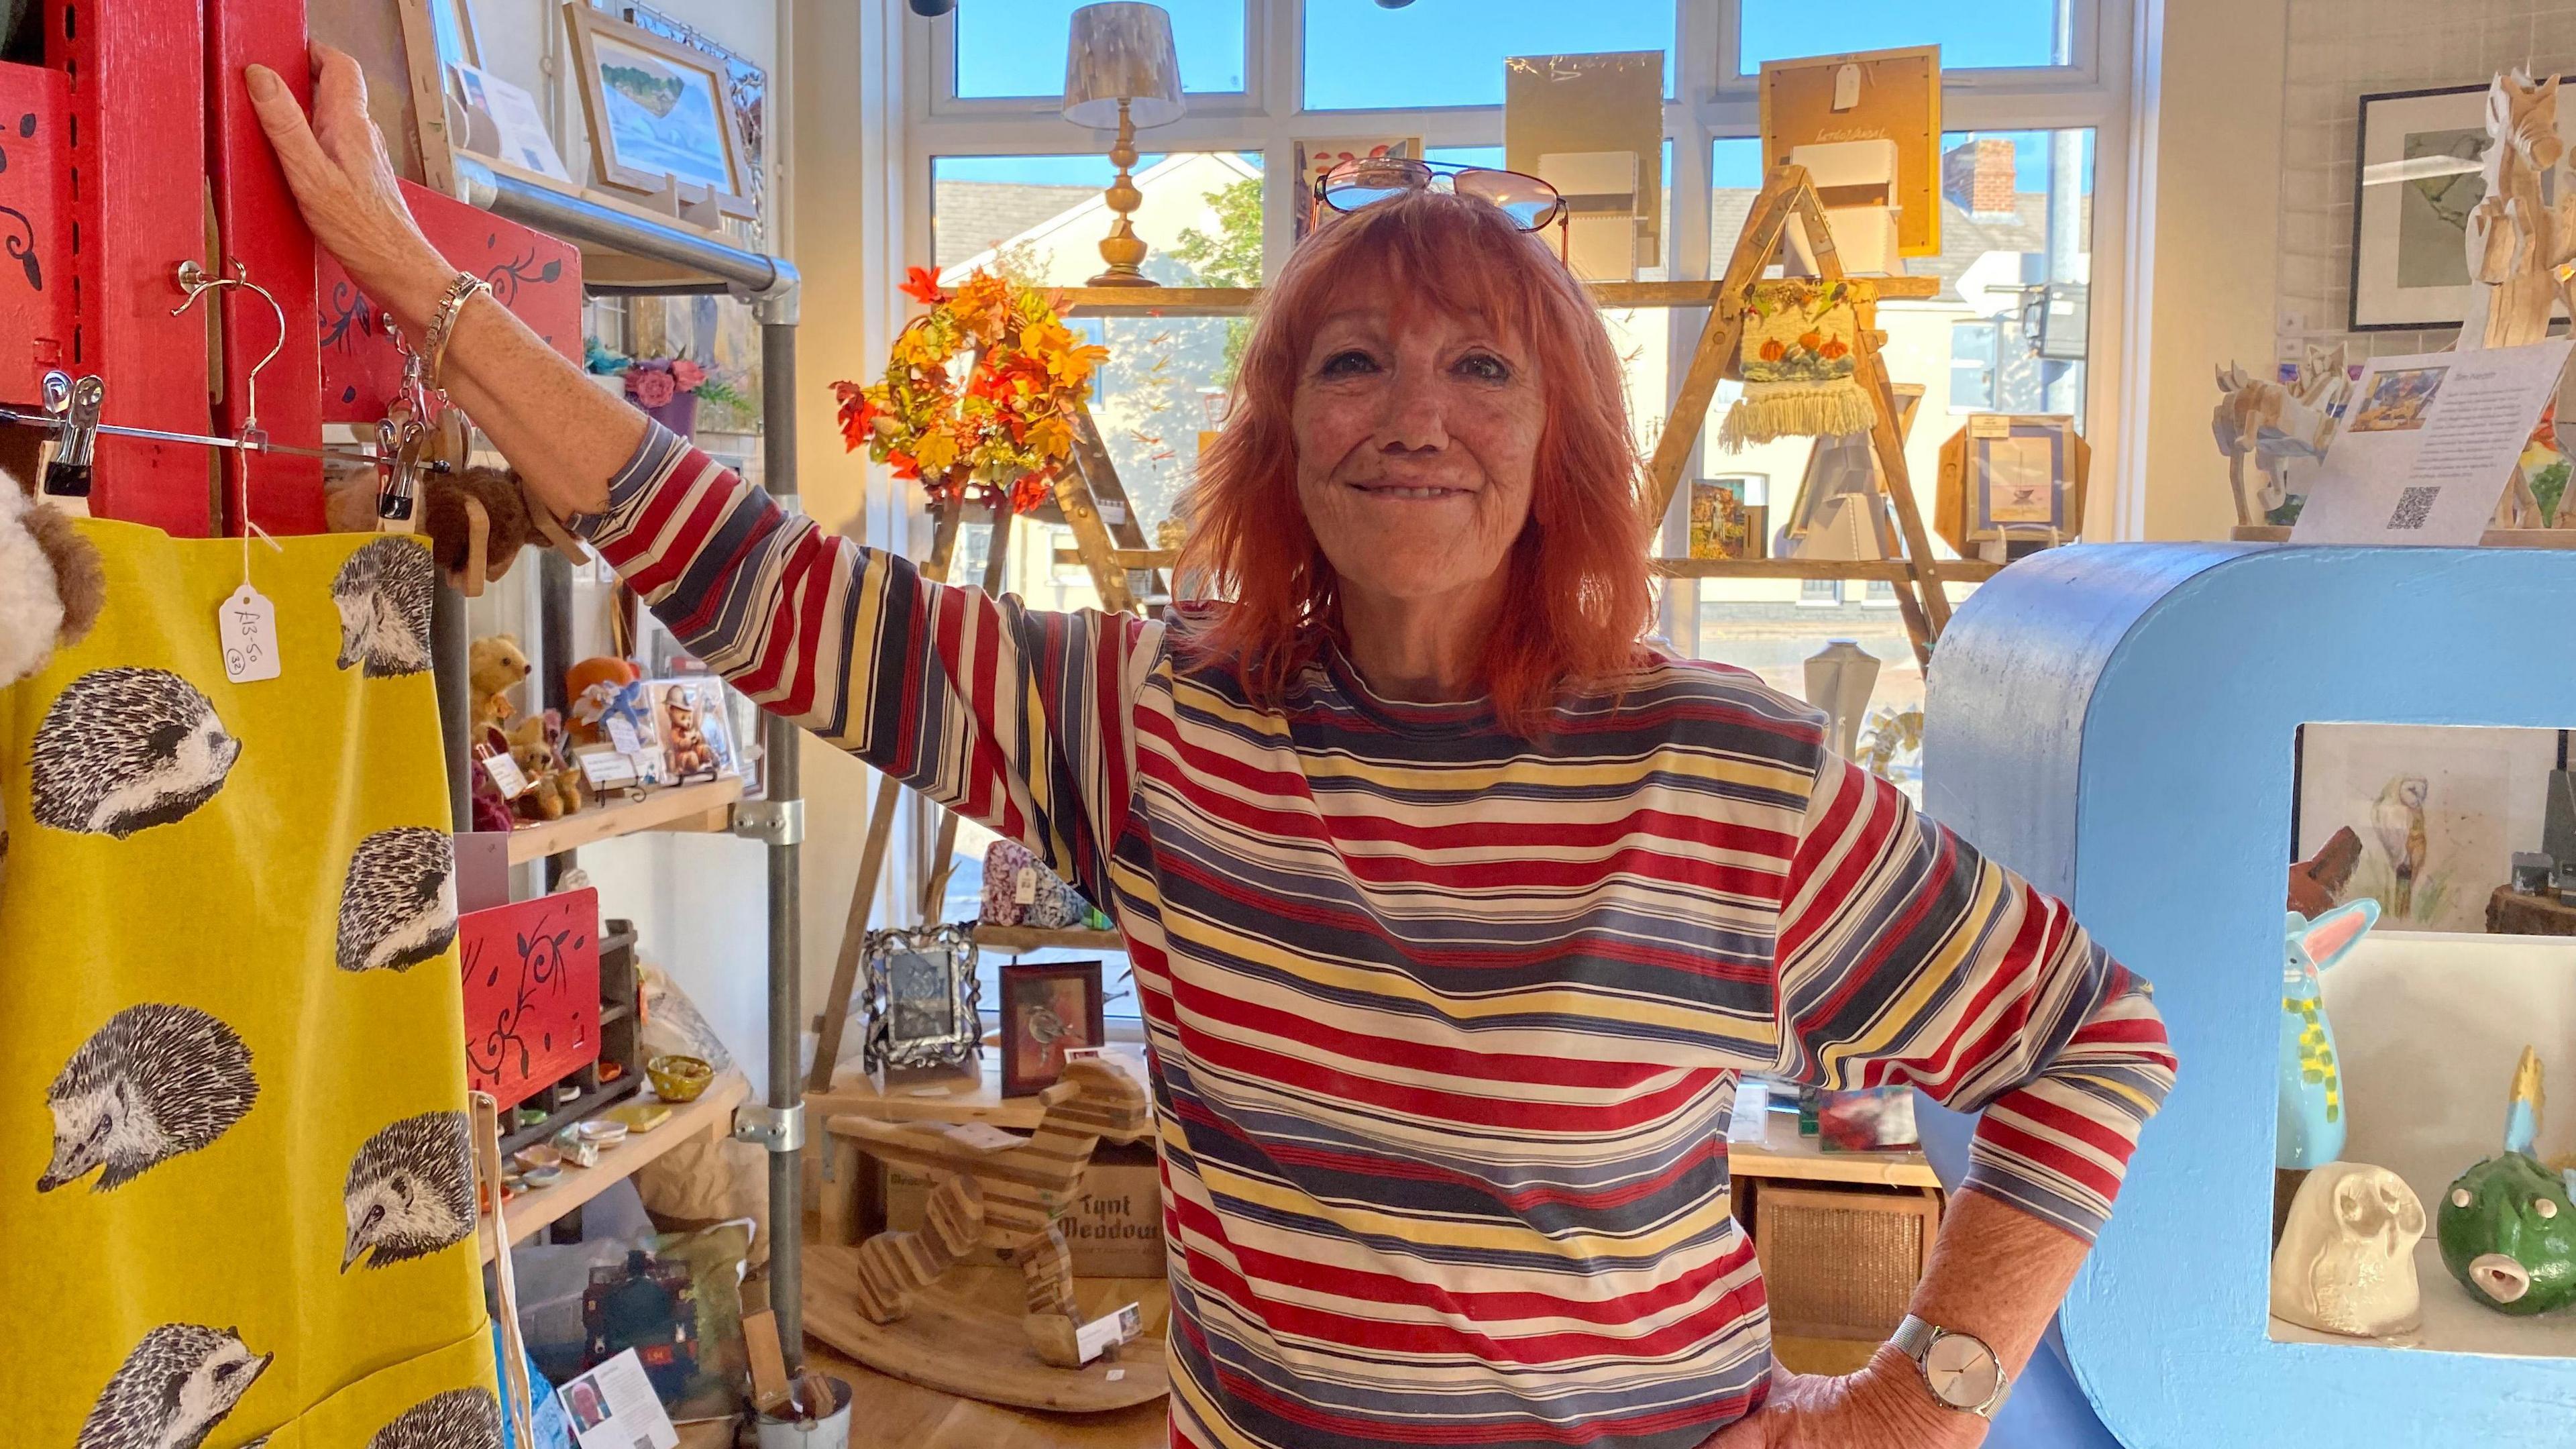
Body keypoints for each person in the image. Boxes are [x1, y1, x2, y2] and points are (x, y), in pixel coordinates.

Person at [250, 46, 2174, 1449]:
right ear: (1281, 444)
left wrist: (1925, 1394)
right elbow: (764, 586)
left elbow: (2097, 1038)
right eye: (1355, 363)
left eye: (1482, 366)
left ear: (1561, 452)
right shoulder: (1163, 722)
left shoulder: (1725, 776)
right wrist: (430, 298)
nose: (1415, 415)